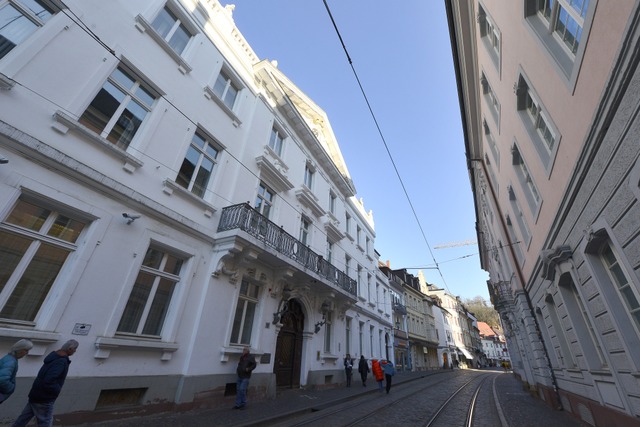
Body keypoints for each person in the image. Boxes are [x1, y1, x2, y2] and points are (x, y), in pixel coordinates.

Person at [12, 339, 78, 427]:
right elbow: (49, 380)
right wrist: (56, 390)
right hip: (44, 398)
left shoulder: (54, 357)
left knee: (23, 419)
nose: (75, 351)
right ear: (70, 349)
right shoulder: (61, 361)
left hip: (36, 394)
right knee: (45, 422)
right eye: (75, 349)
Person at [0, 339, 33, 404]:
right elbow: (2, 380)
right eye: (26, 350)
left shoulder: (9, 358)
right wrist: (10, 388)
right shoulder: (11, 361)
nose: (27, 353)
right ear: (19, 349)